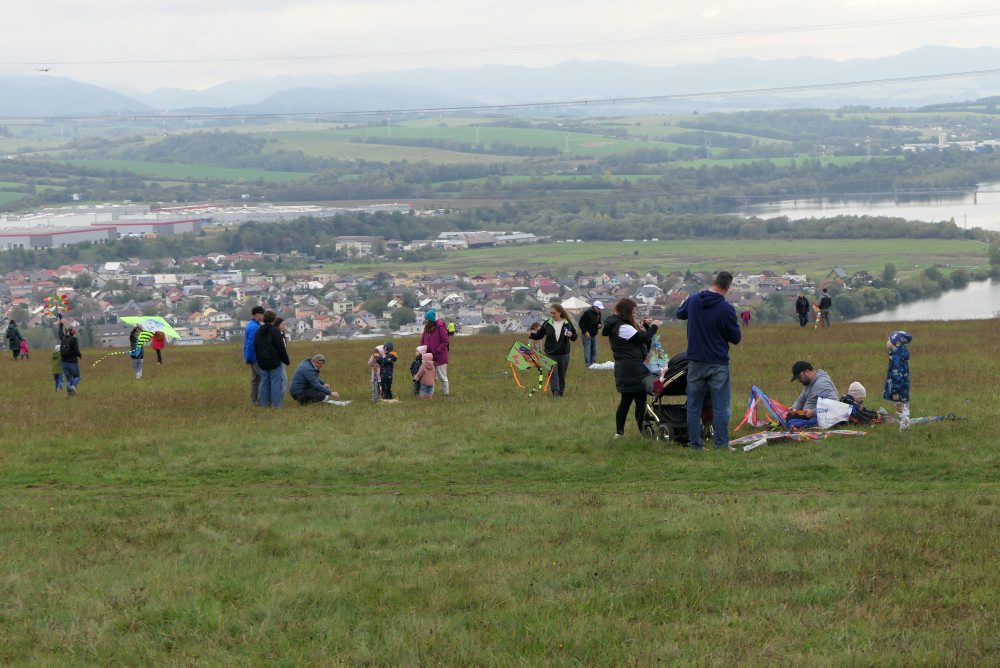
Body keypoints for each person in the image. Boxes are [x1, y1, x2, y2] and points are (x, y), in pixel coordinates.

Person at [676, 271, 742, 449]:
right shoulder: (727, 309)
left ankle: (695, 444)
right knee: (721, 406)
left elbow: (679, 313)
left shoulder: (694, 299)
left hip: (695, 360)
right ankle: (721, 444)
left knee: (694, 405)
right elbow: (736, 338)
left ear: (712, 282)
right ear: (727, 288)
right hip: (718, 362)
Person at [602, 298, 660, 437]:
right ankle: (640, 431)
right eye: (633, 312)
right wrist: (654, 327)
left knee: (630, 401)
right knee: (636, 402)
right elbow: (642, 339)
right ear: (626, 311)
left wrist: (646, 326)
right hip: (632, 369)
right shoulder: (622, 327)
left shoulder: (621, 325)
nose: (635, 314)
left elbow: (645, 340)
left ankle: (624, 432)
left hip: (630, 368)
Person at [528, 303, 578, 397]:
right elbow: (540, 335)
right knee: (552, 374)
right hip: (550, 353)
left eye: (554, 313)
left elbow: (575, 337)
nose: (552, 315)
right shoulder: (547, 323)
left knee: (561, 374)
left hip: (564, 354)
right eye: (550, 313)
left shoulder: (567, 323)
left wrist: (572, 335)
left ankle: (561, 392)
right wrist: (532, 335)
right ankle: (555, 392)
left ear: (559, 312)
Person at [254, 310, 290, 408]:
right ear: (273, 320)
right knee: (276, 384)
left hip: (262, 361)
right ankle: (276, 405)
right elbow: (280, 347)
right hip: (274, 361)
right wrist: (286, 360)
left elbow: (256, 346)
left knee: (264, 383)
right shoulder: (274, 331)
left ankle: (264, 405)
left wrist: (258, 359)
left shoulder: (259, 330)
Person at [788, 360, 839, 427]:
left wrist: (813, 412)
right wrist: (794, 408)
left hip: (818, 419)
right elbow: (801, 400)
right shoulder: (810, 383)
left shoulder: (822, 383)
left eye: (799, 377)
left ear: (807, 372)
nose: (799, 380)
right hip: (807, 416)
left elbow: (834, 404)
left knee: (790, 421)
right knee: (788, 417)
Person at [884, 330, 912, 430]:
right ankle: (905, 424)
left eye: (889, 340)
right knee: (904, 405)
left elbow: (897, 375)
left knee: (899, 407)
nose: (887, 342)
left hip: (898, 389)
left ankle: (904, 426)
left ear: (895, 343)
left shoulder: (896, 358)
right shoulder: (899, 354)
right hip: (904, 387)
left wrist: (895, 391)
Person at [420, 310, 451, 396]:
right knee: (427, 376)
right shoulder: (426, 328)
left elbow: (445, 341)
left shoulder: (441, 327)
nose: (425, 321)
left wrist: (436, 351)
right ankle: (427, 394)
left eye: (426, 319)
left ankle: (446, 394)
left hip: (440, 357)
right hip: (428, 357)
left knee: (442, 377)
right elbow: (422, 340)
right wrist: (422, 350)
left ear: (430, 320)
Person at [243, 305, 265, 406]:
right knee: (262, 379)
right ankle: (260, 402)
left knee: (255, 380)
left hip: (253, 357)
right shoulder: (254, 327)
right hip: (256, 358)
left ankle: (254, 401)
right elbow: (250, 344)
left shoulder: (252, 325)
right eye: (262, 314)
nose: (263, 316)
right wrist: (247, 358)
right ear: (258, 314)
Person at [58, 321, 82, 396]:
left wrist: (61, 325)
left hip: (63, 362)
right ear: (72, 331)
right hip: (73, 362)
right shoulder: (74, 339)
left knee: (68, 379)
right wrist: (79, 355)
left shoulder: (63, 338)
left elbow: (60, 333)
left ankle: (69, 394)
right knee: (77, 376)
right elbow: (76, 350)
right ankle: (73, 386)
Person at [577, 301, 604, 368]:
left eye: (600, 308)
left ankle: (593, 364)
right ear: (594, 307)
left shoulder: (599, 313)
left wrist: (600, 325)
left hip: (594, 335)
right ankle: (588, 365)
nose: (599, 310)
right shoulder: (587, 313)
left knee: (594, 350)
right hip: (586, 335)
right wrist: (585, 332)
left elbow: (599, 322)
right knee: (587, 350)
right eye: (598, 308)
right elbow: (580, 323)